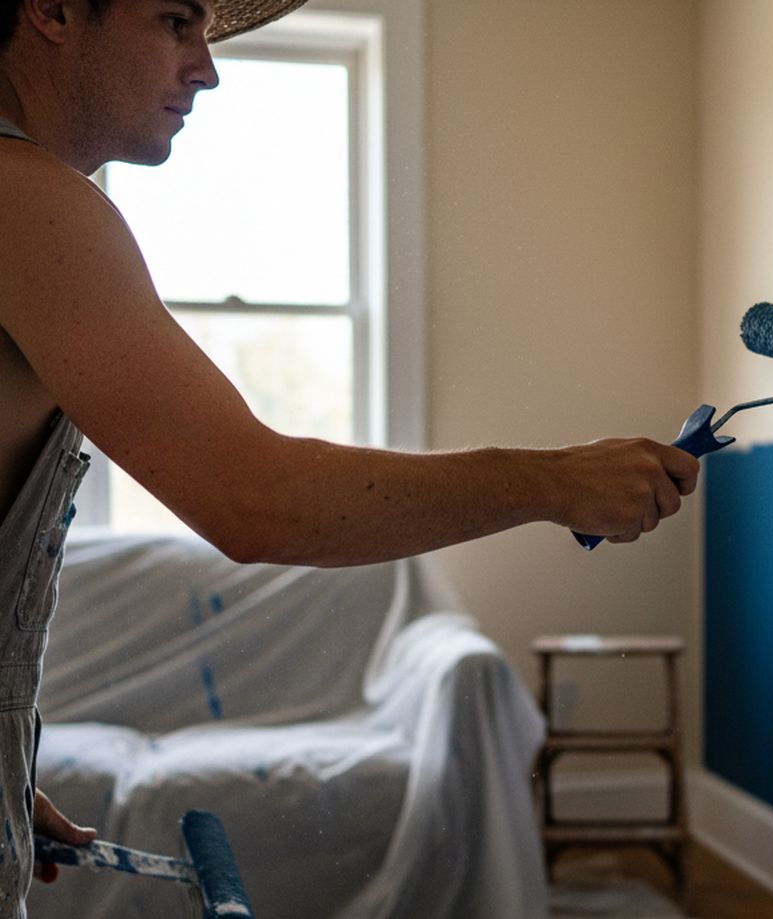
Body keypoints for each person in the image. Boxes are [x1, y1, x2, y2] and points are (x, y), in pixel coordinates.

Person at [0, 0, 700, 911]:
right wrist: (555, 480)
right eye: (175, 21)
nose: (207, 67)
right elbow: (258, 499)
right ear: (54, 9)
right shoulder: (33, 205)